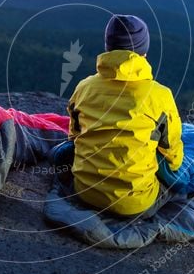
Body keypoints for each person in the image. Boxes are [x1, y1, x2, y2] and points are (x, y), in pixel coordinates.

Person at [63, 14, 184, 218]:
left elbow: (74, 137)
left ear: (108, 46)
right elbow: (173, 155)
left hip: (84, 192)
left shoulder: (84, 88)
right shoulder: (159, 95)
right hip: (134, 204)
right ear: (143, 50)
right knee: (180, 174)